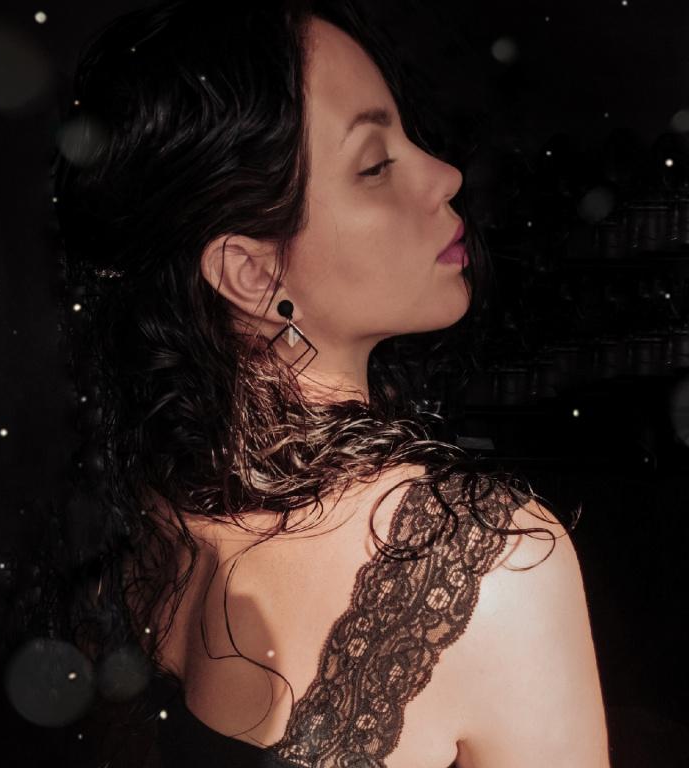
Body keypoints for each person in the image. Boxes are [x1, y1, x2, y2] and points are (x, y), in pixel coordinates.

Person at [45, 0, 611, 766]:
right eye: (374, 165)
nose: (444, 175)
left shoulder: (148, 507)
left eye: (407, 138)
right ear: (251, 273)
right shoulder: (490, 571)